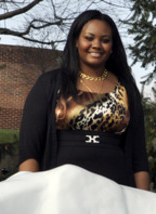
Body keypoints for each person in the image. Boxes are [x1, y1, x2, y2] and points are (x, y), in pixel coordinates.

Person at [18, 10, 150, 190]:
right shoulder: (49, 83)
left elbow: (139, 158)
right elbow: (29, 151)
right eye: (89, 38)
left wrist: (143, 204)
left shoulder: (126, 89)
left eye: (105, 40)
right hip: (60, 191)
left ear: (112, 47)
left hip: (116, 192)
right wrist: (30, 192)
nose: (97, 45)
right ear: (76, 41)